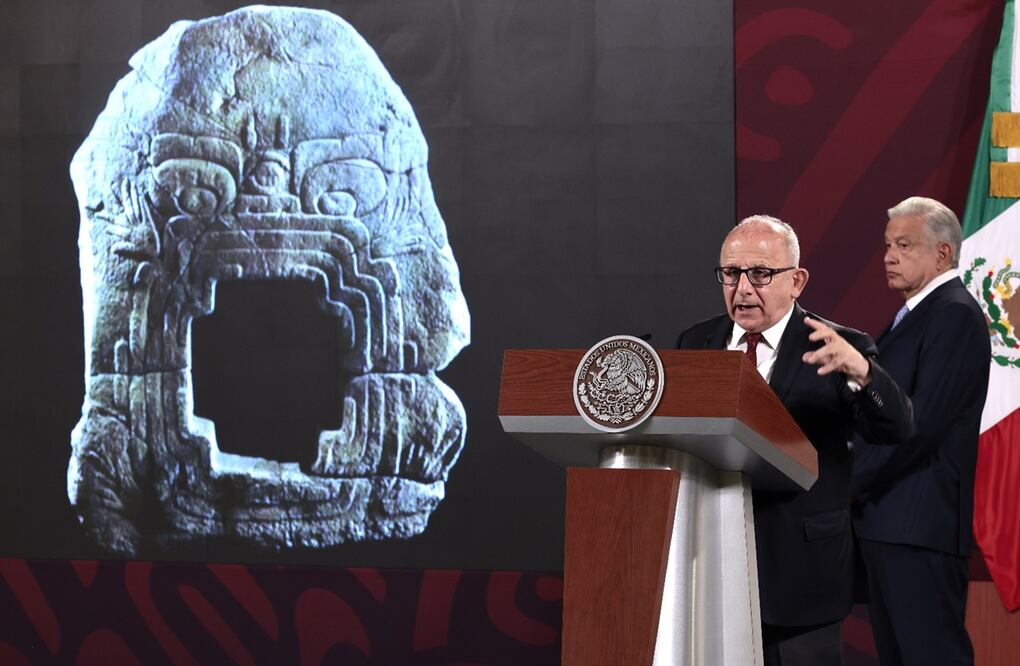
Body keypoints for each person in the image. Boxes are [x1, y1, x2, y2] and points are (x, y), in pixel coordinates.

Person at [677, 215, 913, 666]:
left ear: (797, 280)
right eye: (731, 273)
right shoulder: (696, 342)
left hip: (802, 574)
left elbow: (896, 428)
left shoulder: (838, 345)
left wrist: (863, 373)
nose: (743, 288)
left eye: (761, 274)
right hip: (710, 566)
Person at [851, 197, 990, 665]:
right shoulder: (915, 315)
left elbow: (918, 425)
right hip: (891, 526)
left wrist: (843, 482)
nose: (888, 256)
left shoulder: (954, 314)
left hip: (919, 529)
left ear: (943, 254)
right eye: (888, 244)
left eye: (904, 245)